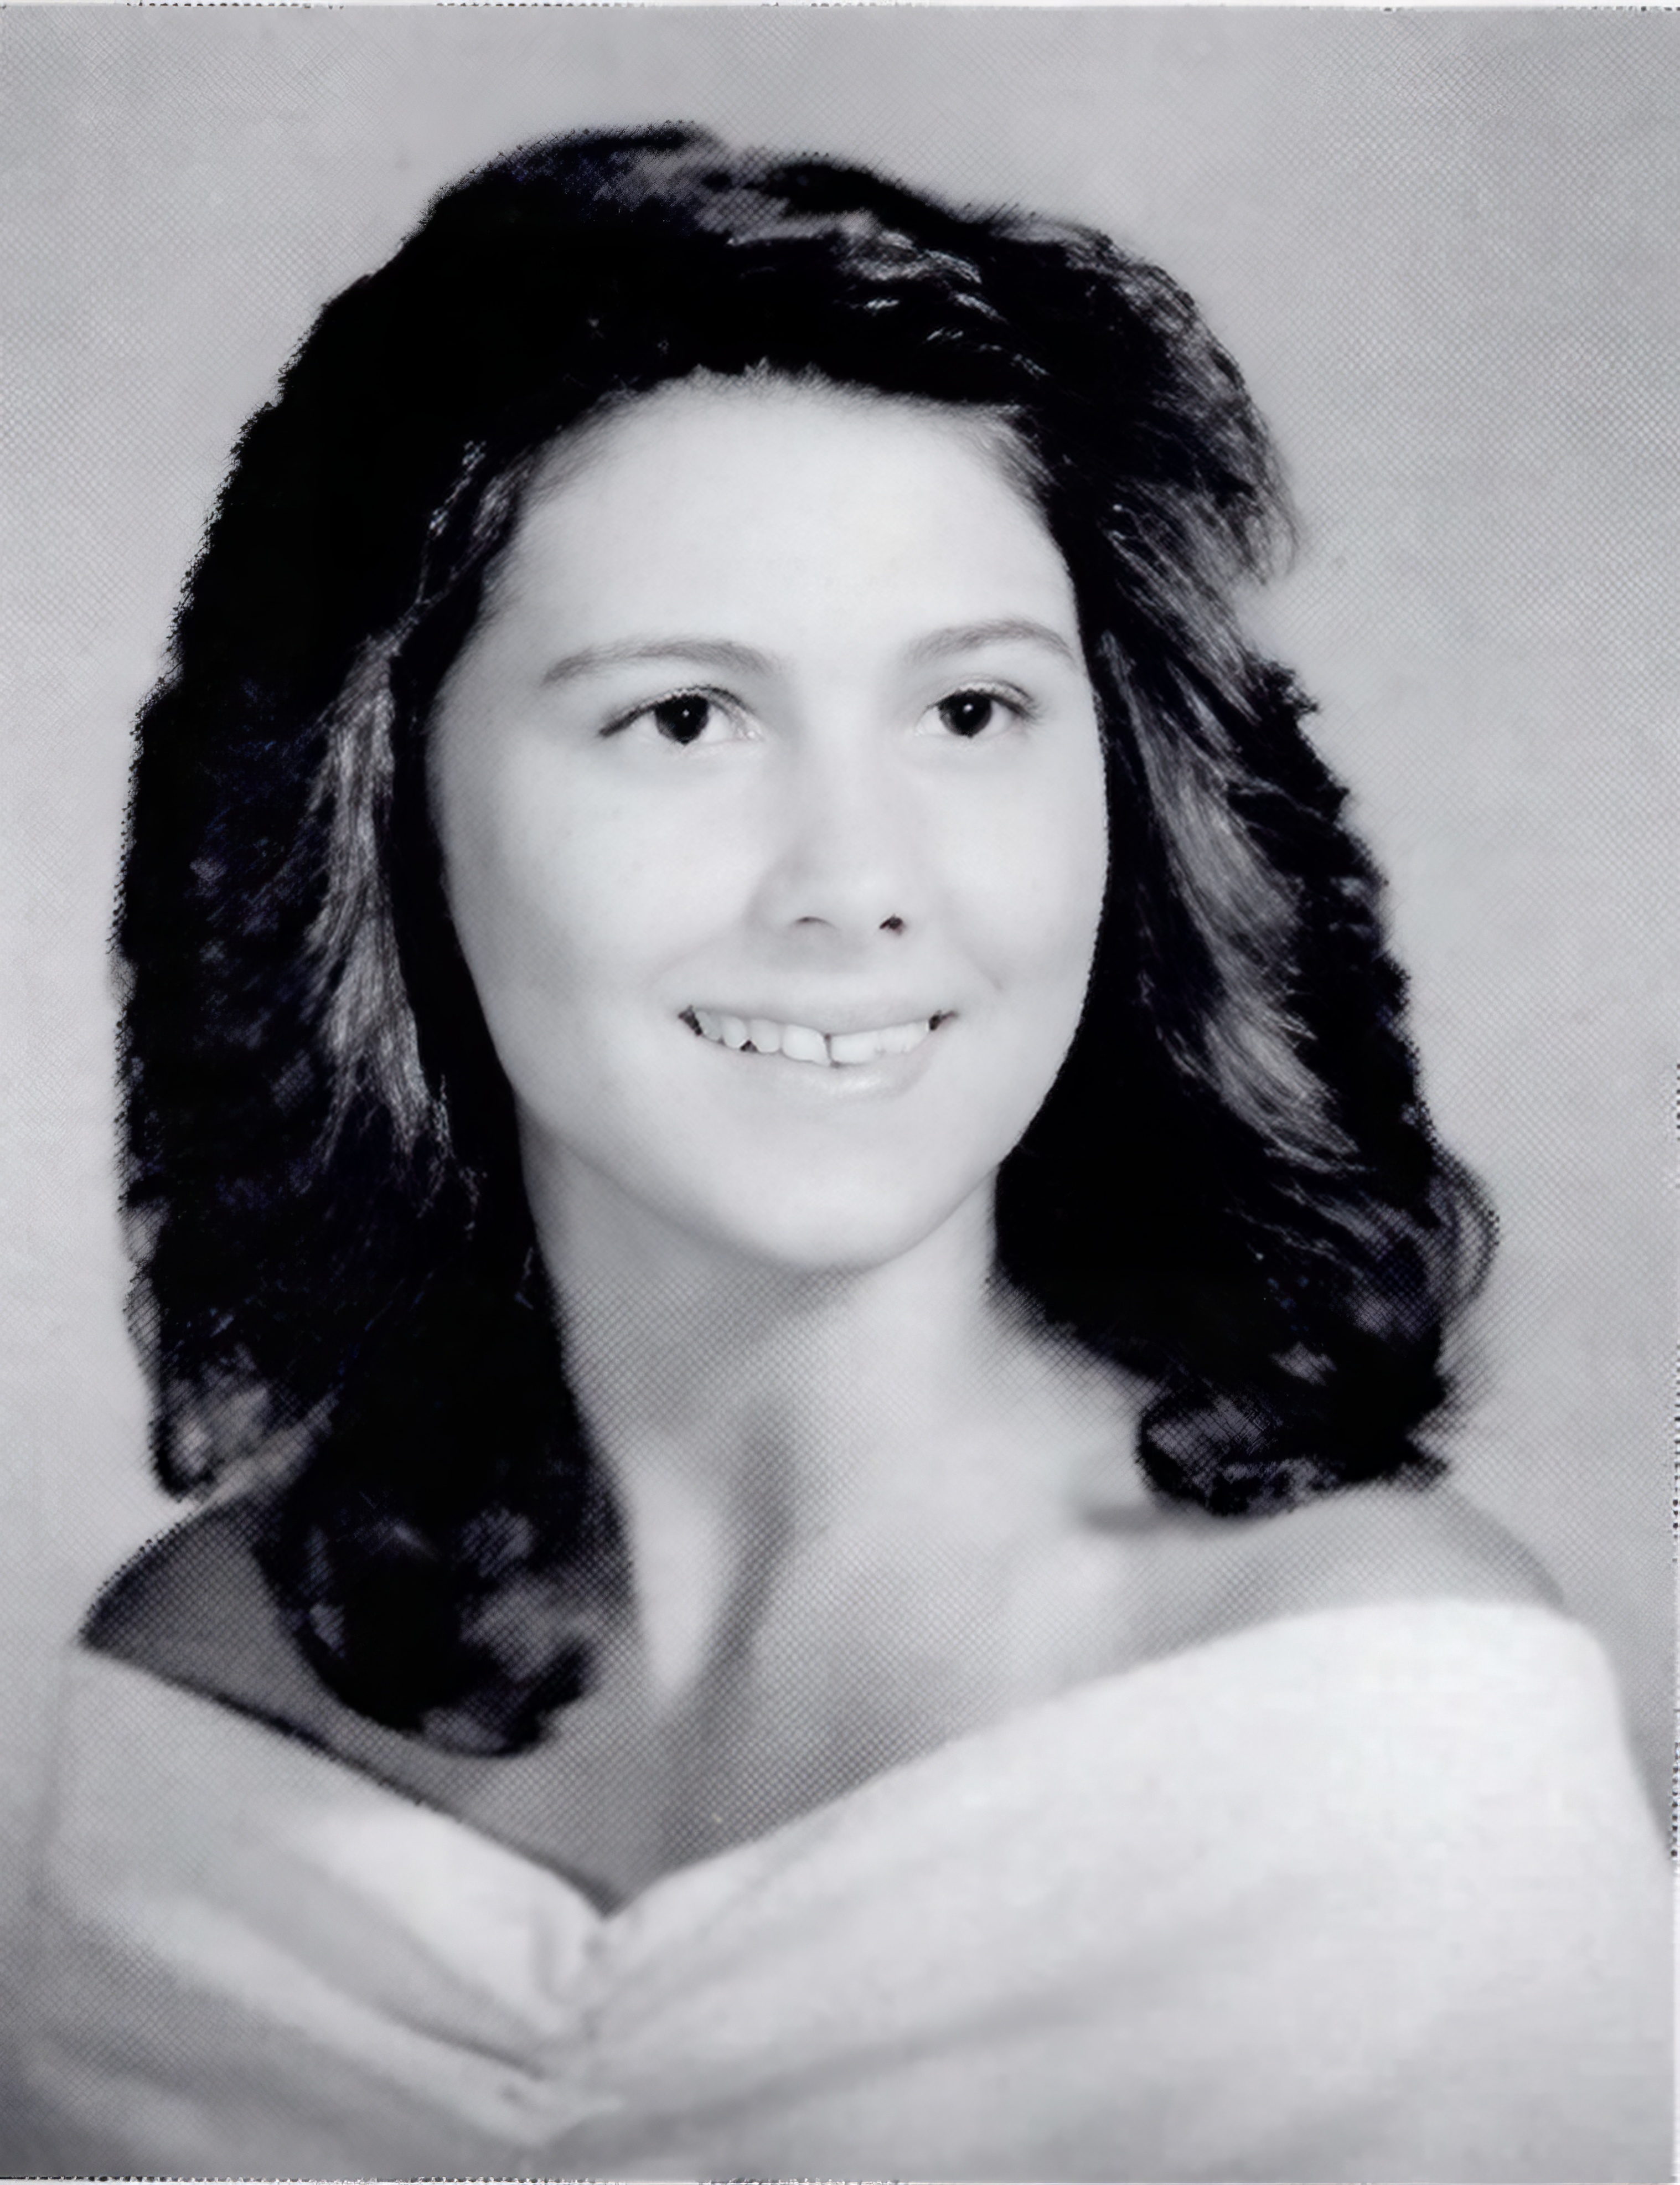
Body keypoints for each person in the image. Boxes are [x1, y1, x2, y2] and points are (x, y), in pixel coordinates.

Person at [14, 127, 1668, 2181]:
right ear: (376, 811)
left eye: (970, 714)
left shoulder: (1392, 1745)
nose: (858, 880)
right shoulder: (194, 1693)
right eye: (684, 721)